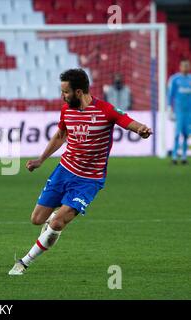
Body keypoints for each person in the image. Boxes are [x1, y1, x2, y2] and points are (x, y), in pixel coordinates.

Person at [8, 68, 152, 275]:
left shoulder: (105, 110)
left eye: (65, 92)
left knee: (57, 222)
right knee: (37, 220)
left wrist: (141, 129)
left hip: (89, 180)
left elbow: (128, 121)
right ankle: (54, 217)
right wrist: (41, 159)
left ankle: (23, 262)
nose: (62, 96)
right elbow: (60, 135)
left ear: (78, 92)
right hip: (64, 171)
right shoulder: (67, 110)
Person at [167, 59, 191, 165]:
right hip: (179, 111)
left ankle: (184, 157)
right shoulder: (175, 79)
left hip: (189, 112)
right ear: (180, 67)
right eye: (184, 66)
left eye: (187, 66)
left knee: (186, 134)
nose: (185, 68)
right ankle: (174, 156)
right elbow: (170, 94)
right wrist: (169, 109)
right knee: (177, 134)